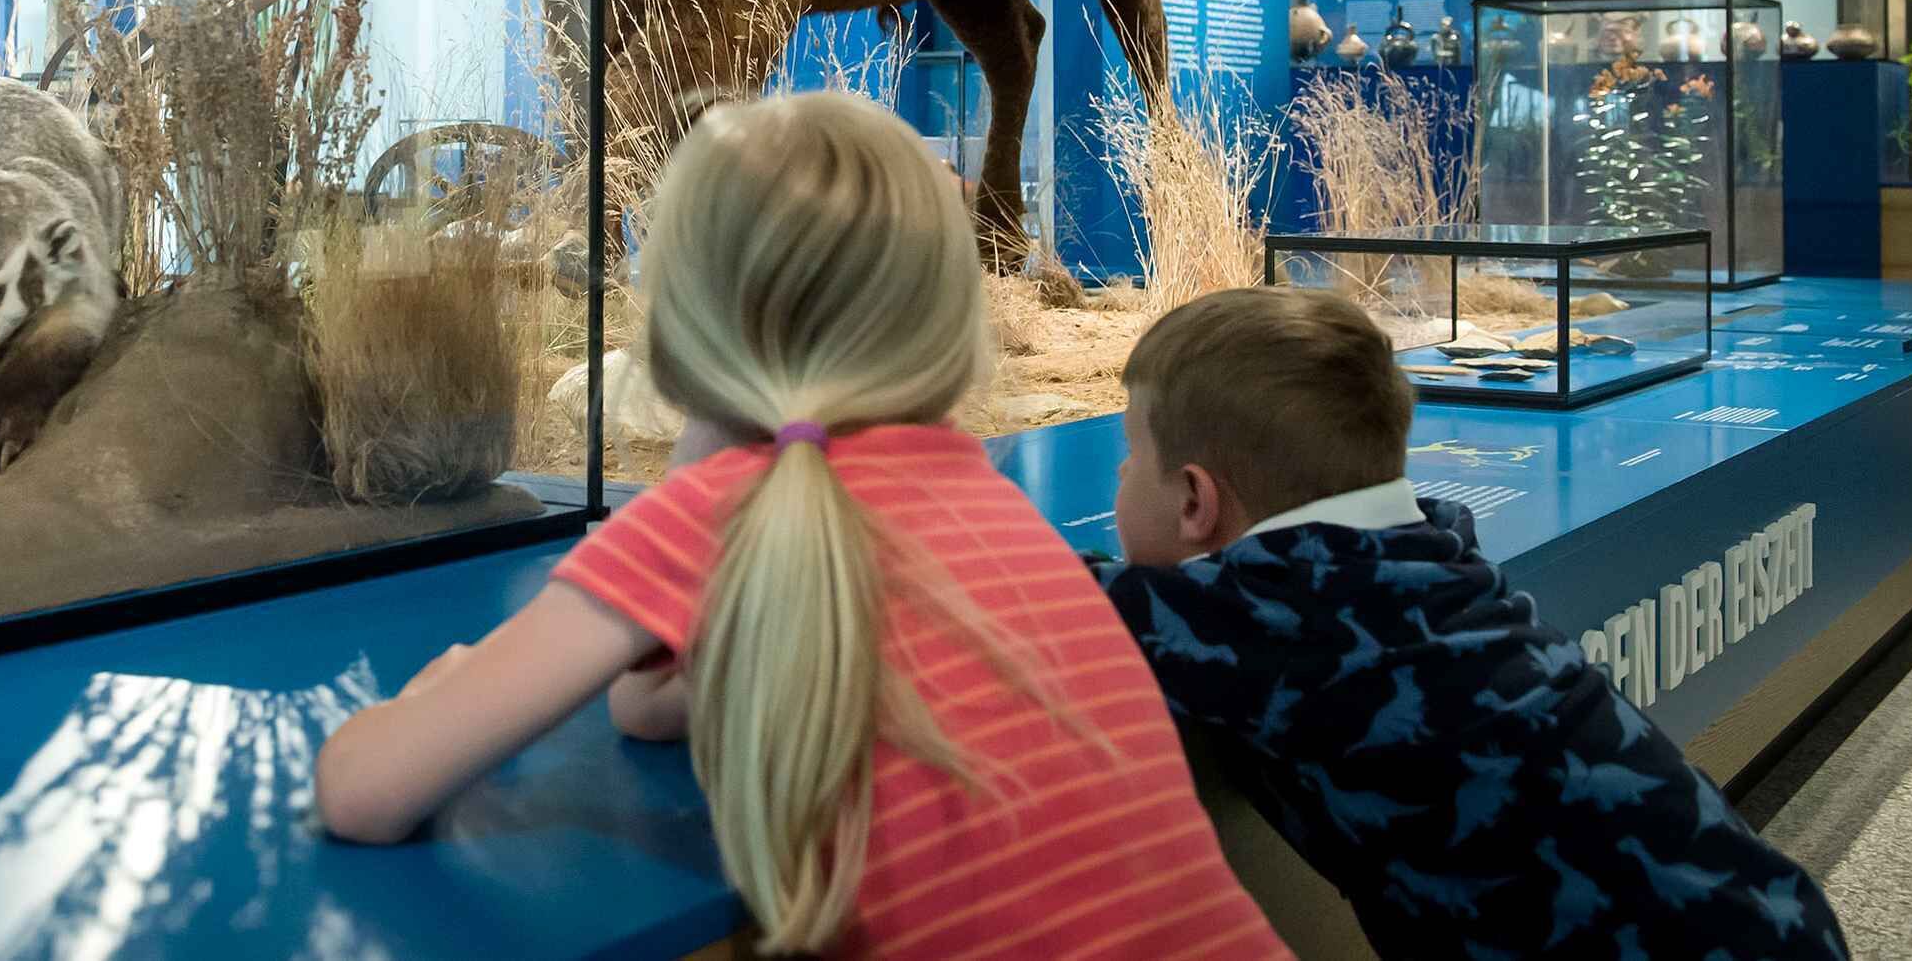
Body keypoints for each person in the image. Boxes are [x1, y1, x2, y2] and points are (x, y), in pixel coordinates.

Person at [317, 92, 1289, 959]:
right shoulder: (979, 494)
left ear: (680, 316)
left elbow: (363, 792)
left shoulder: (711, 512)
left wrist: (428, 702)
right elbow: (656, 709)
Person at [1097, 285, 1848, 960]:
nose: (1123, 473)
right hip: (1774, 920)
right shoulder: (1433, 547)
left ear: (1196, 499)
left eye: (1132, 454)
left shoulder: (1262, 616)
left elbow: (1066, 589)